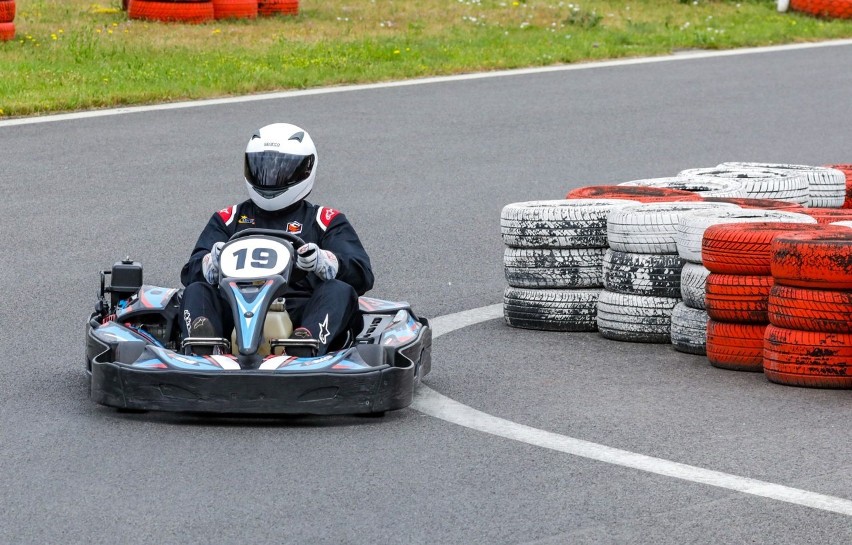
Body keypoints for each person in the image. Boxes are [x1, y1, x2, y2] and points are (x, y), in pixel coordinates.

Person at [179, 123, 374, 357]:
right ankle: (205, 346)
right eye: (262, 167)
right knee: (197, 290)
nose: (270, 177)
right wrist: (211, 263)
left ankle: (305, 344)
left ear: (305, 169)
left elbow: (362, 275)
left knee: (339, 290)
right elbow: (189, 273)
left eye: (281, 169)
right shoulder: (228, 218)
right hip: (234, 310)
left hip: (299, 310)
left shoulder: (324, 220)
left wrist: (326, 262)